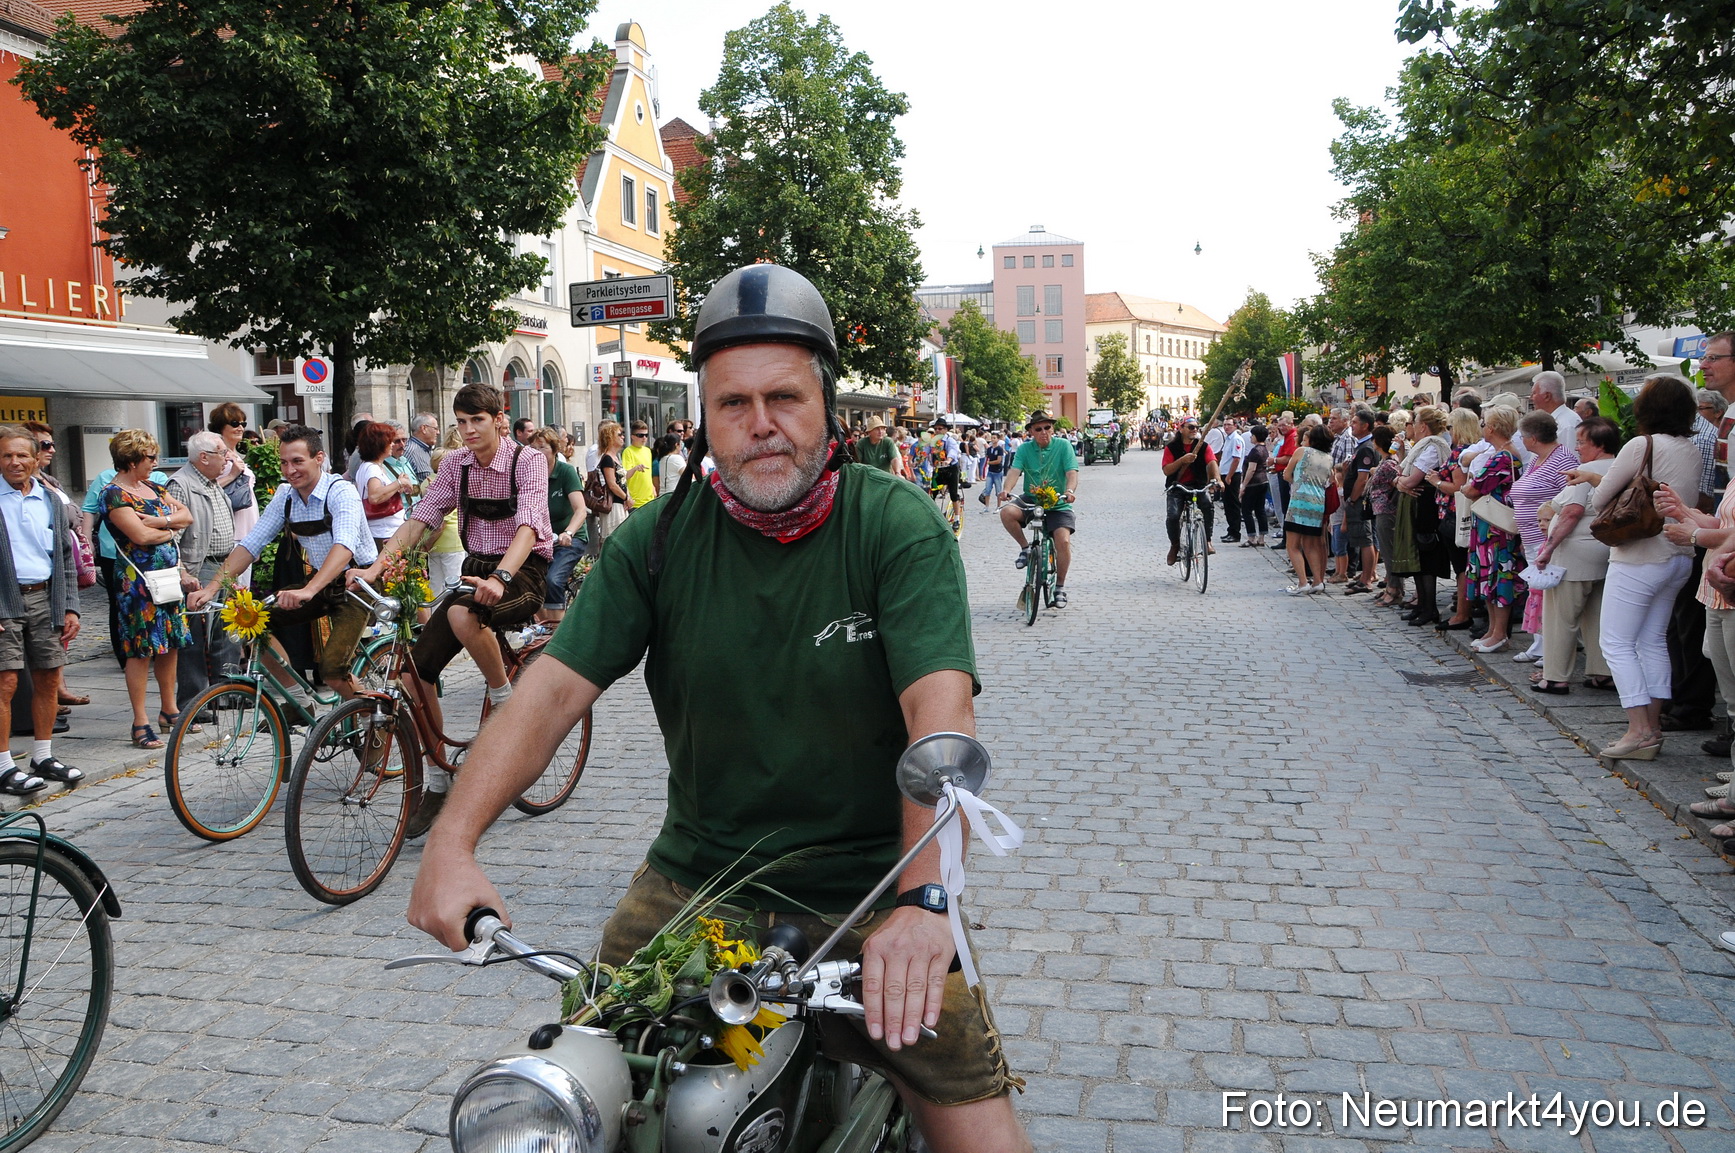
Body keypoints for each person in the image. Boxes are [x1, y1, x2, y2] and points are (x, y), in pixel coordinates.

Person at [406, 263, 1032, 1152]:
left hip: (873, 890)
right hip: (693, 883)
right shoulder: (657, 541)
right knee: (579, 1100)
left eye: (784, 396)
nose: (761, 424)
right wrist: (452, 842)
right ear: (703, 418)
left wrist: (925, 901)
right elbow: (546, 695)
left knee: (979, 1130)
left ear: (827, 407)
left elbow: (938, 720)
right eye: (733, 404)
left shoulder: (894, 526)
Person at [355, 382, 552, 835]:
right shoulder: (458, 466)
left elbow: (528, 525)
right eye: (461, 422)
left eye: (477, 421)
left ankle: (505, 701)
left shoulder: (528, 461)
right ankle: (440, 774)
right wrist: (376, 567)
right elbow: (420, 518)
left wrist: (501, 578)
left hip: (521, 573)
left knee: (463, 614)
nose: (468, 431)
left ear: (498, 419)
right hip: (472, 572)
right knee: (412, 675)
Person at [189, 424, 378, 713]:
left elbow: (344, 547)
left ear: (319, 458)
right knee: (249, 621)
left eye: (297, 461)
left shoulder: (341, 493)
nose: (289, 470)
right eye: (284, 462)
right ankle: (298, 703)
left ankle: (372, 718)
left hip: (358, 583)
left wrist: (309, 590)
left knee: (331, 669)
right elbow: (251, 544)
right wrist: (212, 587)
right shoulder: (286, 496)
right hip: (319, 583)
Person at [1586, 374, 1702, 759]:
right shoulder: (1690, 448)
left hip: (1639, 554)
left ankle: (1639, 729)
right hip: (1678, 553)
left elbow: (1601, 497)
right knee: (1652, 641)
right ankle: (1651, 728)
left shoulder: (1641, 444)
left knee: (1616, 643)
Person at [0, 426, 83, 795]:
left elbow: (64, 555)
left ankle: (42, 756)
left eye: (21, 455)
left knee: (49, 678)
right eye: (6, 455)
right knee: (6, 683)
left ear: (36, 460)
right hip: (4, 601)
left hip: (44, 598)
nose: (14, 462)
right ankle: (3, 765)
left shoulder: (49, 500)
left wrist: (70, 606)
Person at [101, 430, 194, 749]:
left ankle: (170, 710)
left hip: (166, 575)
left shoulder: (153, 486)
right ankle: (140, 720)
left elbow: (187, 516)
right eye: (150, 457)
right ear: (131, 459)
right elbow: (138, 537)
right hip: (137, 581)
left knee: (170, 642)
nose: (156, 462)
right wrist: (169, 526)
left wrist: (158, 523)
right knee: (140, 648)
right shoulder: (114, 494)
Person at [1532, 418, 1619, 693]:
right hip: (1606, 550)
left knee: (1561, 618)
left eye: (1582, 442)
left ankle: (1555, 676)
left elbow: (1571, 511)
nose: (1577, 448)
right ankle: (1602, 672)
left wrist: (1548, 547)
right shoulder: (1619, 468)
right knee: (1596, 615)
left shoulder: (1587, 470)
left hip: (1576, 554)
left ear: (1599, 444)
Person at [166, 431, 241, 719]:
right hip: (200, 567)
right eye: (223, 452)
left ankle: (227, 692)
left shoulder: (210, 482)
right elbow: (171, 538)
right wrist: (182, 571)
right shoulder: (181, 485)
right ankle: (193, 702)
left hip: (223, 564)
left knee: (227, 632)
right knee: (194, 638)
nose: (228, 457)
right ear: (204, 457)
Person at [1506, 410, 1578, 662]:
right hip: (1531, 535)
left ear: (1534, 437)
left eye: (1523, 436)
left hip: (1546, 537)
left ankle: (1551, 649)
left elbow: (1570, 497)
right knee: (1537, 591)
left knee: (1548, 593)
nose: (1521, 441)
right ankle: (1540, 644)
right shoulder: (1538, 459)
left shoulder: (1563, 459)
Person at [1000, 411, 1079, 607]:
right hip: (1032, 499)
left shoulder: (1063, 446)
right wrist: (1006, 490)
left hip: (1058, 501)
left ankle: (1059, 587)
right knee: (1007, 512)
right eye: (1039, 429)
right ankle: (1026, 549)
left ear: (1052, 429)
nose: (1044, 432)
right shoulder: (1025, 449)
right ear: (1031, 432)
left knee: (1063, 541)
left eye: (1047, 428)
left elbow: (1071, 472)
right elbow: (1015, 471)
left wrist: (1069, 490)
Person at [534, 427, 586, 625]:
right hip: (542, 539)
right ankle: (545, 628)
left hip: (568, 539)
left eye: (543, 448)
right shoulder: (530, 474)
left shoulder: (565, 472)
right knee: (525, 581)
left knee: (553, 580)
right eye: (534, 448)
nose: (538, 452)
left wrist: (568, 532)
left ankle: (557, 634)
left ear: (555, 449)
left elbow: (580, 509)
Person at [1281, 425, 1333, 594]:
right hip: (1318, 503)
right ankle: (1318, 581)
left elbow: (1287, 474)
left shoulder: (1302, 451)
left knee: (1293, 545)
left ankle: (1303, 582)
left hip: (1299, 502)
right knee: (1311, 545)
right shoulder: (1328, 458)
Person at [1161, 417, 1219, 566]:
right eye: (1190, 427)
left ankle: (1207, 541)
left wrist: (1218, 479)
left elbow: (1212, 462)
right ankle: (1175, 545)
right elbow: (1167, 470)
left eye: (1196, 427)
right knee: (1173, 516)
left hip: (1197, 485)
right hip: (1177, 486)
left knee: (1207, 505)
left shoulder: (1203, 446)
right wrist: (1182, 460)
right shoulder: (1171, 448)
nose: (1194, 430)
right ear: (1181, 429)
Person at [353, 421, 413, 550]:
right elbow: (374, 496)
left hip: (385, 531)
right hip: (384, 533)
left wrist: (397, 487)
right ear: (379, 444)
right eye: (389, 441)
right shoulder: (372, 468)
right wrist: (399, 483)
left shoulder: (369, 466)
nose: (392, 445)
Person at [1340, 409, 1379, 593]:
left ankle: (1366, 579)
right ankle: (1364, 576)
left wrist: (1353, 498)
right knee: (1362, 539)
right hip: (1357, 499)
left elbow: (1362, 479)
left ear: (1365, 426)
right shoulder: (1360, 445)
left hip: (1361, 500)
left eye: (1355, 422)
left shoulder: (1366, 447)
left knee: (1366, 540)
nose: (1351, 425)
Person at [586, 421, 630, 554]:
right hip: (613, 505)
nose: (623, 437)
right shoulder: (607, 459)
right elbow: (612, 484)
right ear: (610, 438)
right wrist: (626, 497)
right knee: (615, 541)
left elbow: (622, 480)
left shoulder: (615, 458)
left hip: (620, 503)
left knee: (622, 539)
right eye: (619, 434)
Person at [1238, 423, 1272, 547]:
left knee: (1246, 510)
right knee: (1260, 509)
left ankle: (1251, 537)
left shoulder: (1255, 451)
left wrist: (1243, 485)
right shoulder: (1265, 449)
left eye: (1252, 435)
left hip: (1254, 483)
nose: (1251, 438)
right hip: (1263, 481)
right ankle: (1262, 537)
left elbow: (1251, 469)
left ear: (1256, 436)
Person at [927, 418, 964, 525]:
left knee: (953, 493)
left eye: (940, 428)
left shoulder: (950, 441)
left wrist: (948, 460)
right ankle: (931, 516)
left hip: (951, 468)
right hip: (938, 469)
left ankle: (956, 518)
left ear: (946, 430)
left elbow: (953, 451)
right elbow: (925, 451)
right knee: (932, 493)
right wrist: (918, 459)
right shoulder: (932, 442)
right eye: (936, 429)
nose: (937, 431)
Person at [622, 420, 656, 510]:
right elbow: (625, 475)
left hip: (649, 499)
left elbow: (648, 474)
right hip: (635, 501)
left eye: (646, 435)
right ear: (632, 436)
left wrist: (653, 487)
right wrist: (635, 468)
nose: (644, 438)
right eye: (640, 435)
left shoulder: (648, 451)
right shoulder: (628, 452)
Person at [404, 411, 439, 481]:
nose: (438, 432)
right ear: (424, 429)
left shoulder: (426, 449)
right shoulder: (409, 451)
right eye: (435, 429)